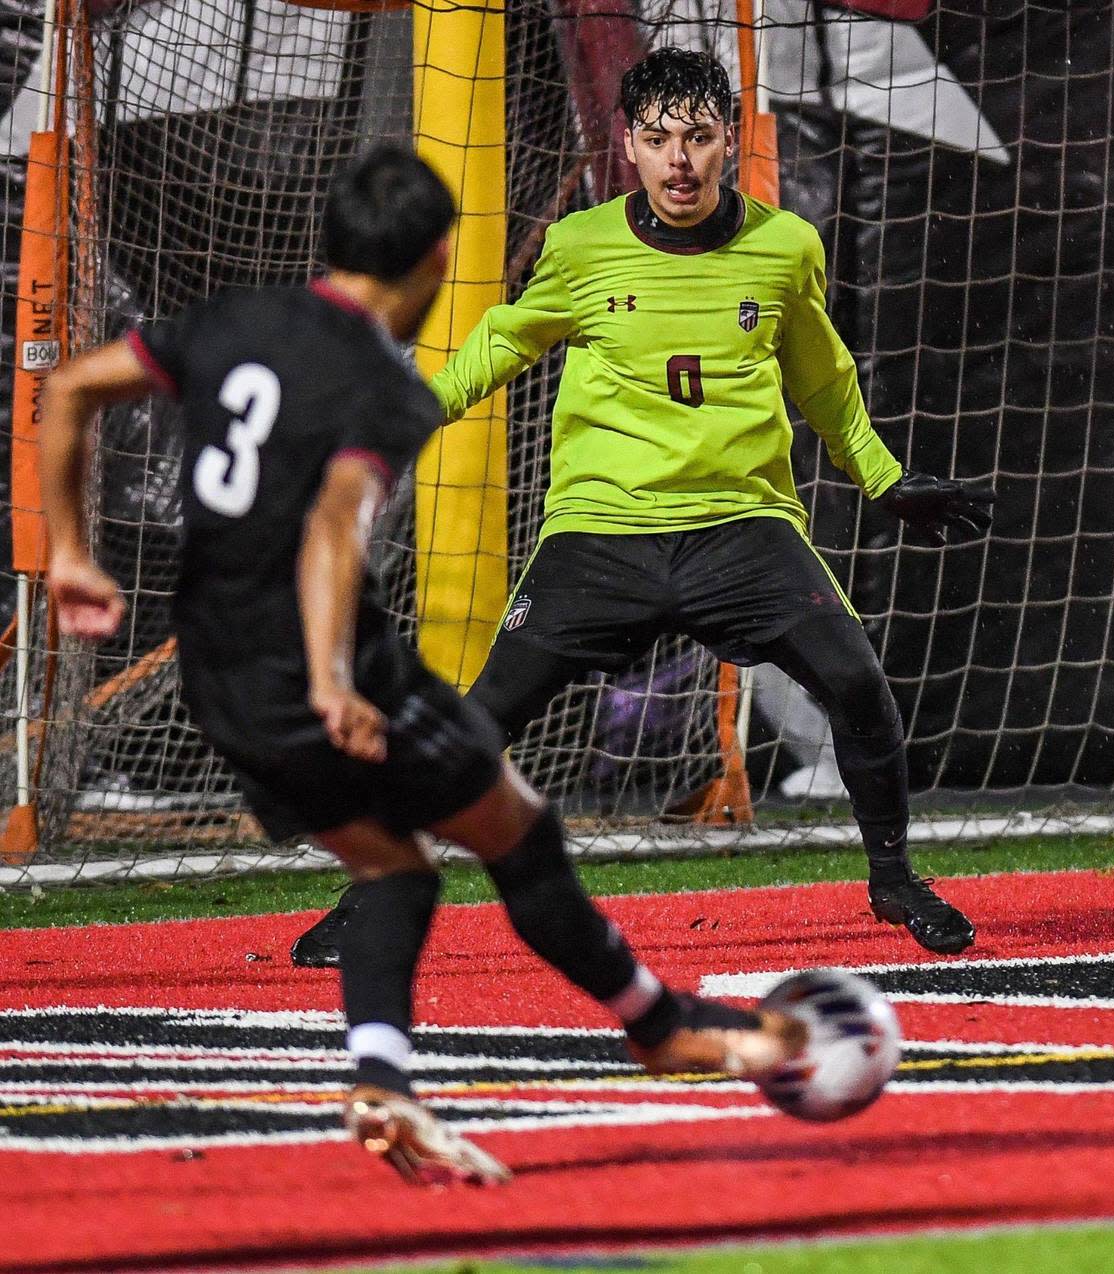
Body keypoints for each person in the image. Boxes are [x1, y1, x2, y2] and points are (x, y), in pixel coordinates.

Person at [41, 143, 813, 1186]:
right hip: (332, 670)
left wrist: (70, 552)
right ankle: (660, 1024)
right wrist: (331, 679)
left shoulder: (236, 322)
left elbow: (75, 384)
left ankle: (383, 1083)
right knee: (519, 831)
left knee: (392, 864)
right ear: (439, 258)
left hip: (221, 681)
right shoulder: (383, 387)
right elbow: (331, 529)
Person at [292, 48, 994, 972]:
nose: (679, 162)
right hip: (601, 535)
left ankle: (895, 879)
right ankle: (376, 890)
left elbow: (822, 377)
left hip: (744, 530)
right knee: (483, 718)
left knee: (858, 682)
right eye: (658, 139)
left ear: (726, 141)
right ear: (628, 143)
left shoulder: (786, 249)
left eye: (699, 138)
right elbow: (502, 343)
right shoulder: (581, 247)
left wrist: (883, 477)